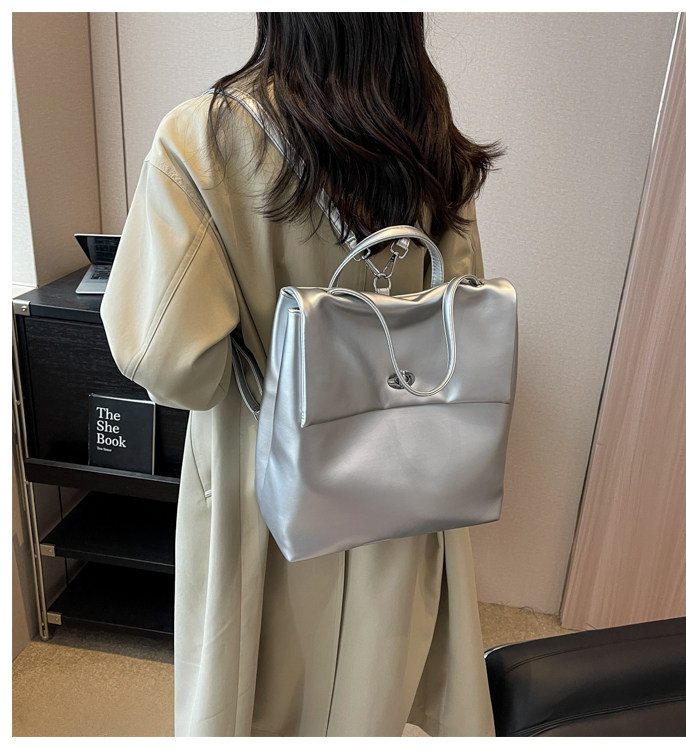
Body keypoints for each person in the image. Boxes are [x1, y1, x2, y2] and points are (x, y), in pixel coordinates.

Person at [101, 12, 504, 737]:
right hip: (398, 479)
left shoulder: (206, 139)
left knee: (252, 689)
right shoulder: (431, 137)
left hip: (262, 486)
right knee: (371, 690)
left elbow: (172, 365)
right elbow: (459, 315)